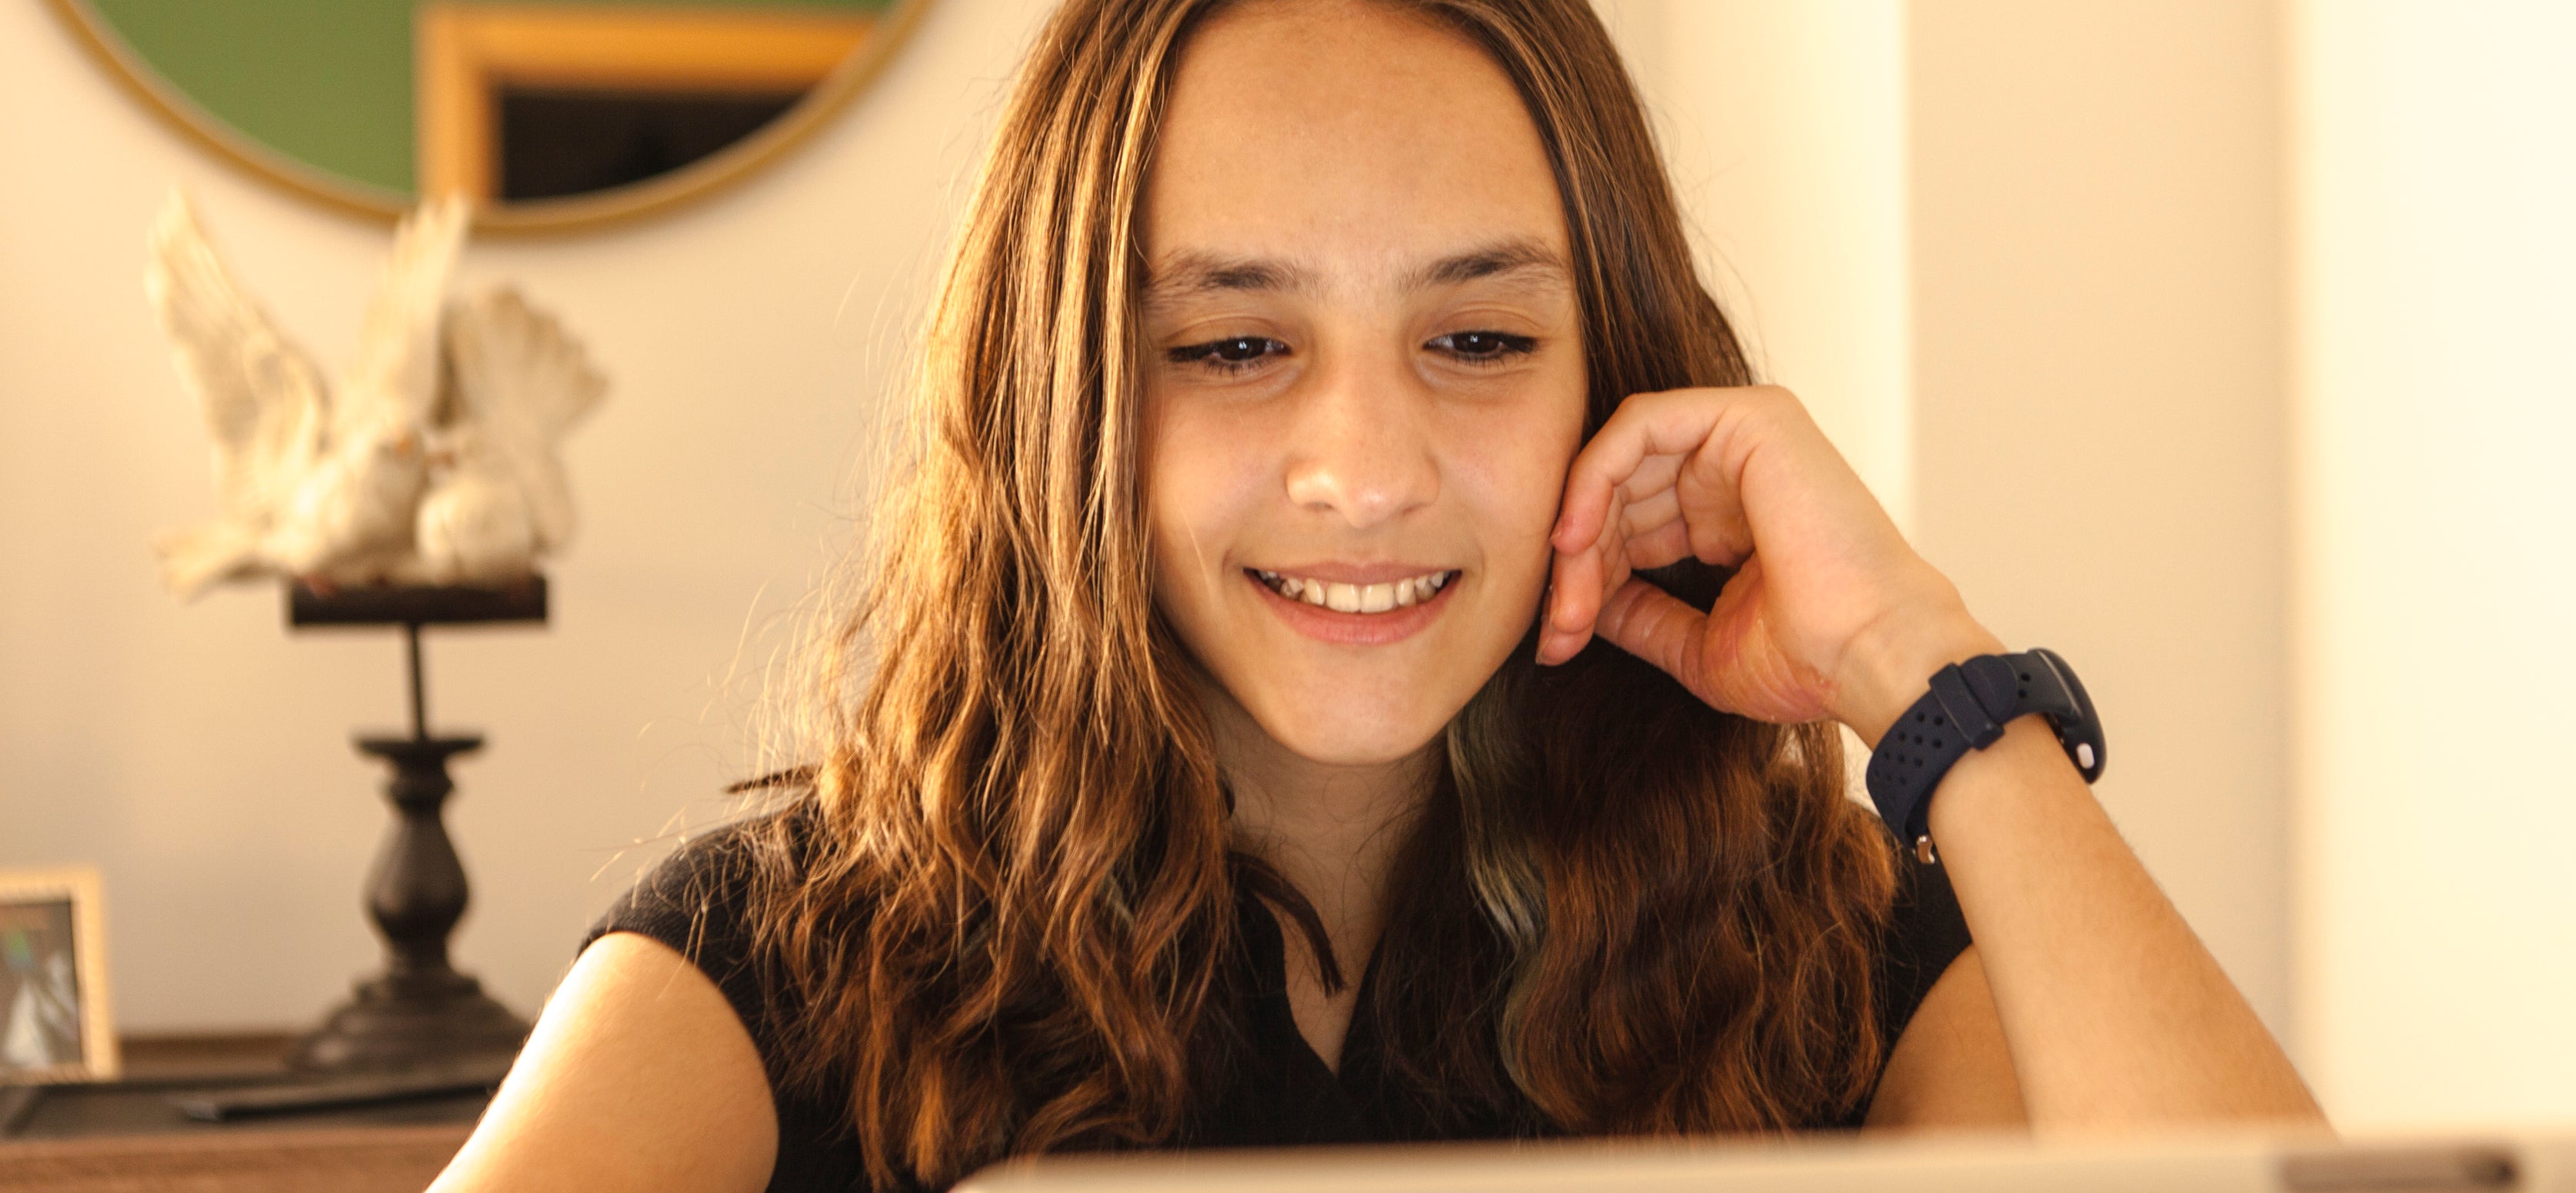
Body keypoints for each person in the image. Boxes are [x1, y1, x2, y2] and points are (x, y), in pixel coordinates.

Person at [432, 1, 2326, 1189]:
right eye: (1238, 343)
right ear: (1070, 397)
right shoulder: (776, 965)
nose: (1365, 467)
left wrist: (1917, 659)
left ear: (1623, 375)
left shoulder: (1829, 954)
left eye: (1481, 333)